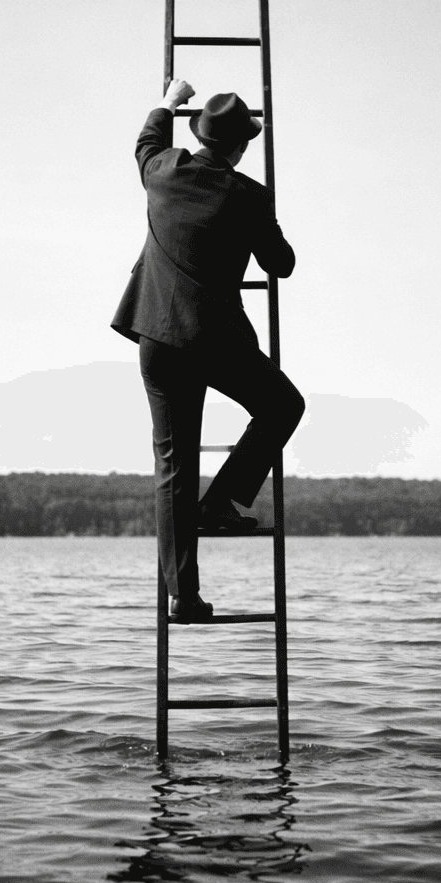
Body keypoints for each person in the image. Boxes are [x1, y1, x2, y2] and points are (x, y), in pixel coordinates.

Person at [112, 79, 305, 623]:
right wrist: (267, 222)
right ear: (240, 146)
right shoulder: (248, 195)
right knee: (283, 406)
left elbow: (146, 142)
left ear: (199, 134)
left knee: (173, 466)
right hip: (214, 341)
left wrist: (169, 102)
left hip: (157, 336)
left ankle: (184, 597)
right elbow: (281, 264)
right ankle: (221, 500)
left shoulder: (164, 170)